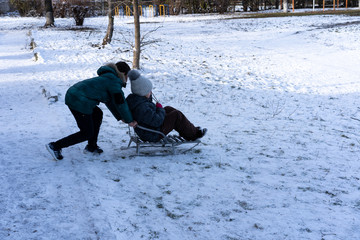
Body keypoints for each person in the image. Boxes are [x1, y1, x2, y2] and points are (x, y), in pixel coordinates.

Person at [46, 62, 137, 160]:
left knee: (97, 114)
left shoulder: (109, 78)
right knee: (86, 132)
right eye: (128, 76)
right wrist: (129, 120)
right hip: (78, 100)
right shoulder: (113, 82)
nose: (128, 79)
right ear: (123, 73)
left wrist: (121, 117)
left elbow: (110, 101)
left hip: (76, 95)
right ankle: (55, 146)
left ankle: (91, 146)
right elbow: (120, 103)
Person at [125, 70, 207, 142]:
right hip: (152, 134)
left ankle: (190, 131)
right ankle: (194, 134)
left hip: (148, 129)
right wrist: (159, 109)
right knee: (176, 115)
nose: (151, 92)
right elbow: (157, 121)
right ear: (142, 92)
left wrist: (157, 107)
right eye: (149, 91)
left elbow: (150, 116)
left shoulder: (137, 100)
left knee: (168, 109)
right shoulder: (142, 107)